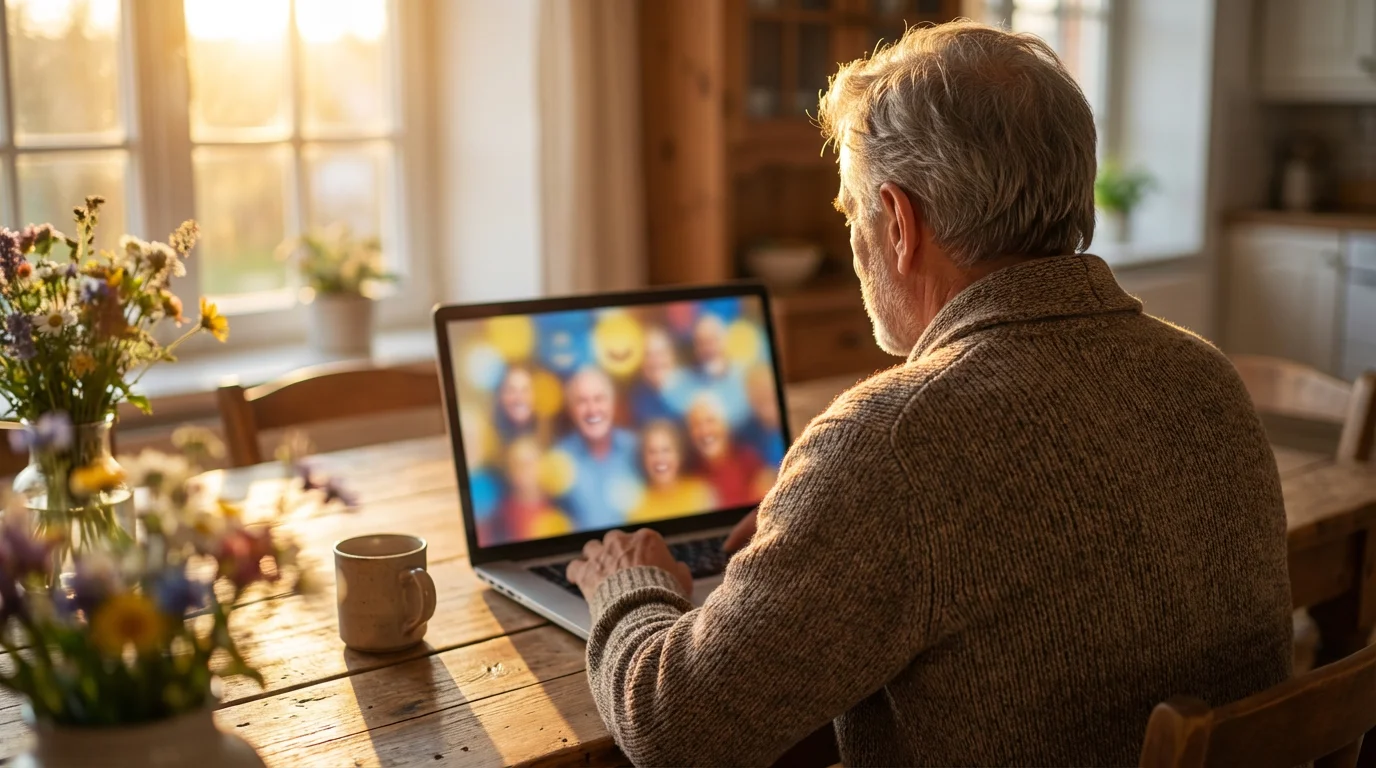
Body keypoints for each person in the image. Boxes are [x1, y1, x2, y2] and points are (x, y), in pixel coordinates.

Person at [568, 21, 1292, 767]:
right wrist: (823, 524)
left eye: (853, 213)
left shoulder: (891, 442)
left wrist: (629, 582)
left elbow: (674, 727)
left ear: (901, 224)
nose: (854, 240)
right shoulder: (1204, 374)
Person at [553, 367, 640, 531]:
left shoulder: (636, 449)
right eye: (581, 401)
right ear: (571, 410)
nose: (592, 410)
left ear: (613, 404)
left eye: (599, 399)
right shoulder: (558, 459)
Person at [685, 396, 769, 509]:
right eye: (697, 425)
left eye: (711, 421)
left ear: (725, 426)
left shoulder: (748, 461)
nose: (705, 431)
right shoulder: (690, 474)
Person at [488, 438, 571, 546]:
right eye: (516, 464)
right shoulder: (499, 515)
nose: (523, 470)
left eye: (529, 463)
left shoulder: (561, 506)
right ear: (509, 471)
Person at [629, 420, 715, 523]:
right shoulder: (636, 507)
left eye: (666, 450)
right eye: (652, 452)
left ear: (679, 455)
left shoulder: (701, 494)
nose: (660, 458)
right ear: (643, 459)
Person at [687, 314, 749, 428]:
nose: (708, 348)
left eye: (712, 340)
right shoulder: (687, 385)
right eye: (702, 343)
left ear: (724, 341)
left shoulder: (744, 378)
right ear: (695, 348)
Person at [629, 327, 685, 423]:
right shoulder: (636, 400)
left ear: (673, 357)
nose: (655, 360)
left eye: (661, 353)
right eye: (648, 354)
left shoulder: (691, 393)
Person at [736, 363, 787, 468]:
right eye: (756, 389)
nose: (761, 393)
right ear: (749, 397)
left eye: (765, 388)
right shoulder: (742, 436)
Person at [493, 365, 537, 439]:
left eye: (525, 390)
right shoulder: (491, 436)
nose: (519, 398)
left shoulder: (548, 438)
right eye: (511, 391)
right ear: (501, 396)